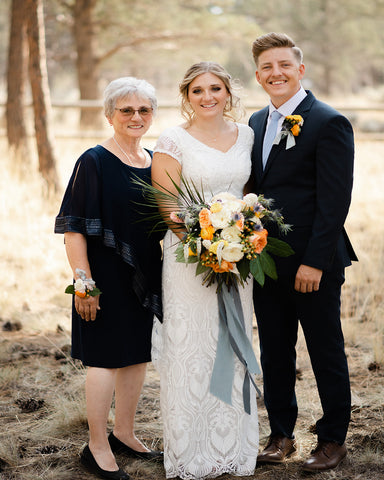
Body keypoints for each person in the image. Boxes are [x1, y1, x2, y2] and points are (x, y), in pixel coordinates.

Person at [248, 32, 357, 473]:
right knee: (275, 350)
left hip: (315, 261)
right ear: (258, 75)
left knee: (324, 349)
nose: (277, 73)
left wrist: (314, 260)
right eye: (267, 67)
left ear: (300, 69)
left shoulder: (328, 122)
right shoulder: (254, 123)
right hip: (264, 259)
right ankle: (281, 434)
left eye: (284, 65)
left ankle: (333, 439)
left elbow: (335, 202)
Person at [150, 61, 259, 480]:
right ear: (186, 96)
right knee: (191, 348)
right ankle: (192, 450)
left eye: (216, 88)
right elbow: (168, 206)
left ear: (228, 93)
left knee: (232, 344)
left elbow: (247, 194)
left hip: (240, 257)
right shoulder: (172, 140)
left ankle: (233, 446)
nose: (208, 96)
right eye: (198, 90)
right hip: (189, 258)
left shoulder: (246, 135)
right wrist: (206, 242)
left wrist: (240, 237)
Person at [54, 77, 163, 480]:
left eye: (144, 110)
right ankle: (96, 446)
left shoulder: (153, 160)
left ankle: (125, 433)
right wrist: (84, 283)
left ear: (153, 114)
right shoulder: (94, 160)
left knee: (136, 357)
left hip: (143, 277)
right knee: (103, 361)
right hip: (102, 278)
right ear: (109, 114)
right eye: (126, 110)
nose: (136, 117)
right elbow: (74, 228)